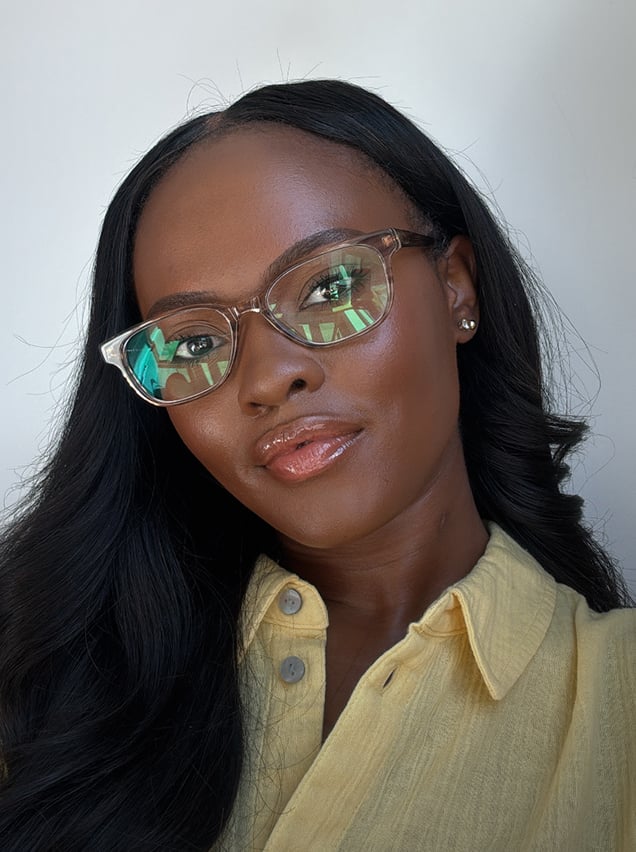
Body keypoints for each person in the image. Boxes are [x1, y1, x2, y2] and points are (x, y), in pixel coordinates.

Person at [0, 79, 633, 851]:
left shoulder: (617, 705)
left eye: (329, 285)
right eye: (194, 342)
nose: (267, 378)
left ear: (456, 286)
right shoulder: (41, 676)